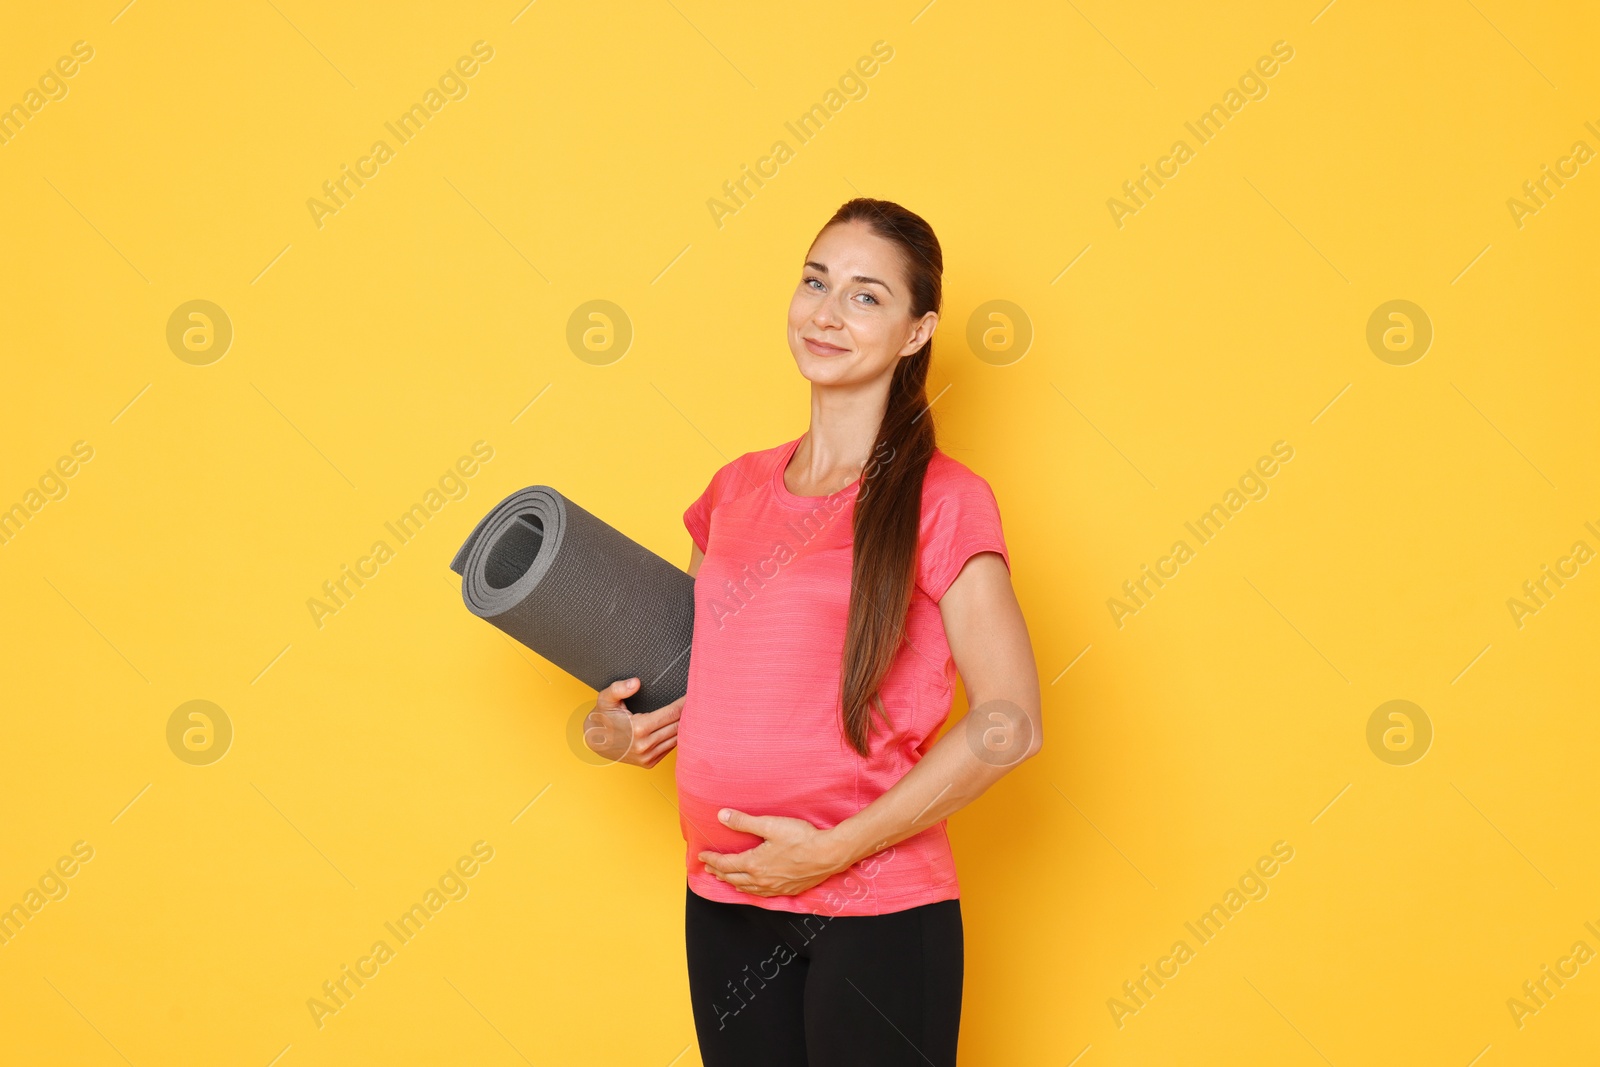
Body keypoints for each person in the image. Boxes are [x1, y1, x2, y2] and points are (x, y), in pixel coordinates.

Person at [585, 197, 1043, 1066]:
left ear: (917, 331)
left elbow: (1010, 722)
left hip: (878, 912)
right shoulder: (732, 490)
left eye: (867, 296)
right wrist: (614, 728)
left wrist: (827, 854)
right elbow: (698, 685)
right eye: (814, 282)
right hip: (724, 900)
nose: (827, 313)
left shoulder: (946, 499)